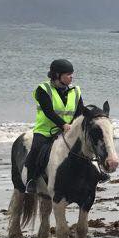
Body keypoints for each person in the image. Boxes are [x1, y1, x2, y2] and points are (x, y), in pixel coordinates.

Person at [25, 58, 87, 192]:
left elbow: (79, 111)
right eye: (68, 74)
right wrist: (63, 124)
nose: (72, 77)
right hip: (45, 130)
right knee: (36, 149)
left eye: (72, 73)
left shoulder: (75, 91)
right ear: (57, 75)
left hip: (68, 130)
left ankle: (96, 171)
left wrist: (74, 125)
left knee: (87, 146)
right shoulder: (43, 90)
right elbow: (48, 112)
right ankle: (31, 180)